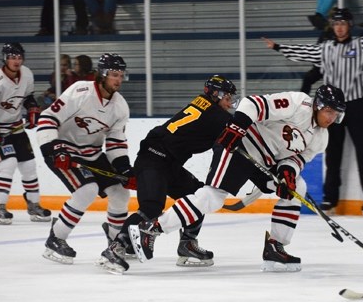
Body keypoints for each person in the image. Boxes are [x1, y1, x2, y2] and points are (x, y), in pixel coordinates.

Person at [102, 85, 346, 274]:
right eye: (329, 111)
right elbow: (252, 103)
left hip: (266, 161)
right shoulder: (298, 103)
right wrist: (238, 128)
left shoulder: (321, 138)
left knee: (296, 188)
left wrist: (288, 173)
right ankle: (151, 228)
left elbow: (297, 159)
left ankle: (275, 246)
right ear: (317, 105)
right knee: (213, 197)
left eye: (336, 114)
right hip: (241, 146)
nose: (331, 118)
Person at [262, 8, 363, 216]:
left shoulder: (361, 45)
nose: (339, 28)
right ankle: (330, 199)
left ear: (349, 26)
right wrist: (278, 47)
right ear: (333, 26)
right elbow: (304, 51)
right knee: (333, 153)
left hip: (356, 104)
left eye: (343, 24)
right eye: (336, 24)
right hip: (331, 109)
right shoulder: (326, 49)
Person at [96, 75, 238, 274]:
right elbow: (242, 133)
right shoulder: (216, 115)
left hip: (165, 162)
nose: (230, 103)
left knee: (198, 195)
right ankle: (115, 248)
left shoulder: (204, 106)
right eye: (228, 97)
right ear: (216, 94)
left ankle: (187, 245)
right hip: (154, 160)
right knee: (151, 208)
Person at [36, 53, 135, 265]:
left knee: (120, 193)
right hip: (63, 150)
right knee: (86, 190)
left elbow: (116, 142)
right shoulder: (80, 91)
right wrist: (53, 149)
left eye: (121, 75)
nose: (118, 79)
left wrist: (124, 170)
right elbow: (47, 118)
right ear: (102, 74)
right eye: (114, 74)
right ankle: (56, 238)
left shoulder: (120, 106)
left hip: (91, 153)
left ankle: (115, 242)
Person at [0, 42, 51, 225]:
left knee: (29, 166)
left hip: (16, 127)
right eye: (12, 57)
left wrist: (32, 109)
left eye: (18, 57)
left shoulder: (27, 74)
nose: (16, 61)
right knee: (8, 164)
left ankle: (34, 205)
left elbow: (28, 98)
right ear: (5, 59)